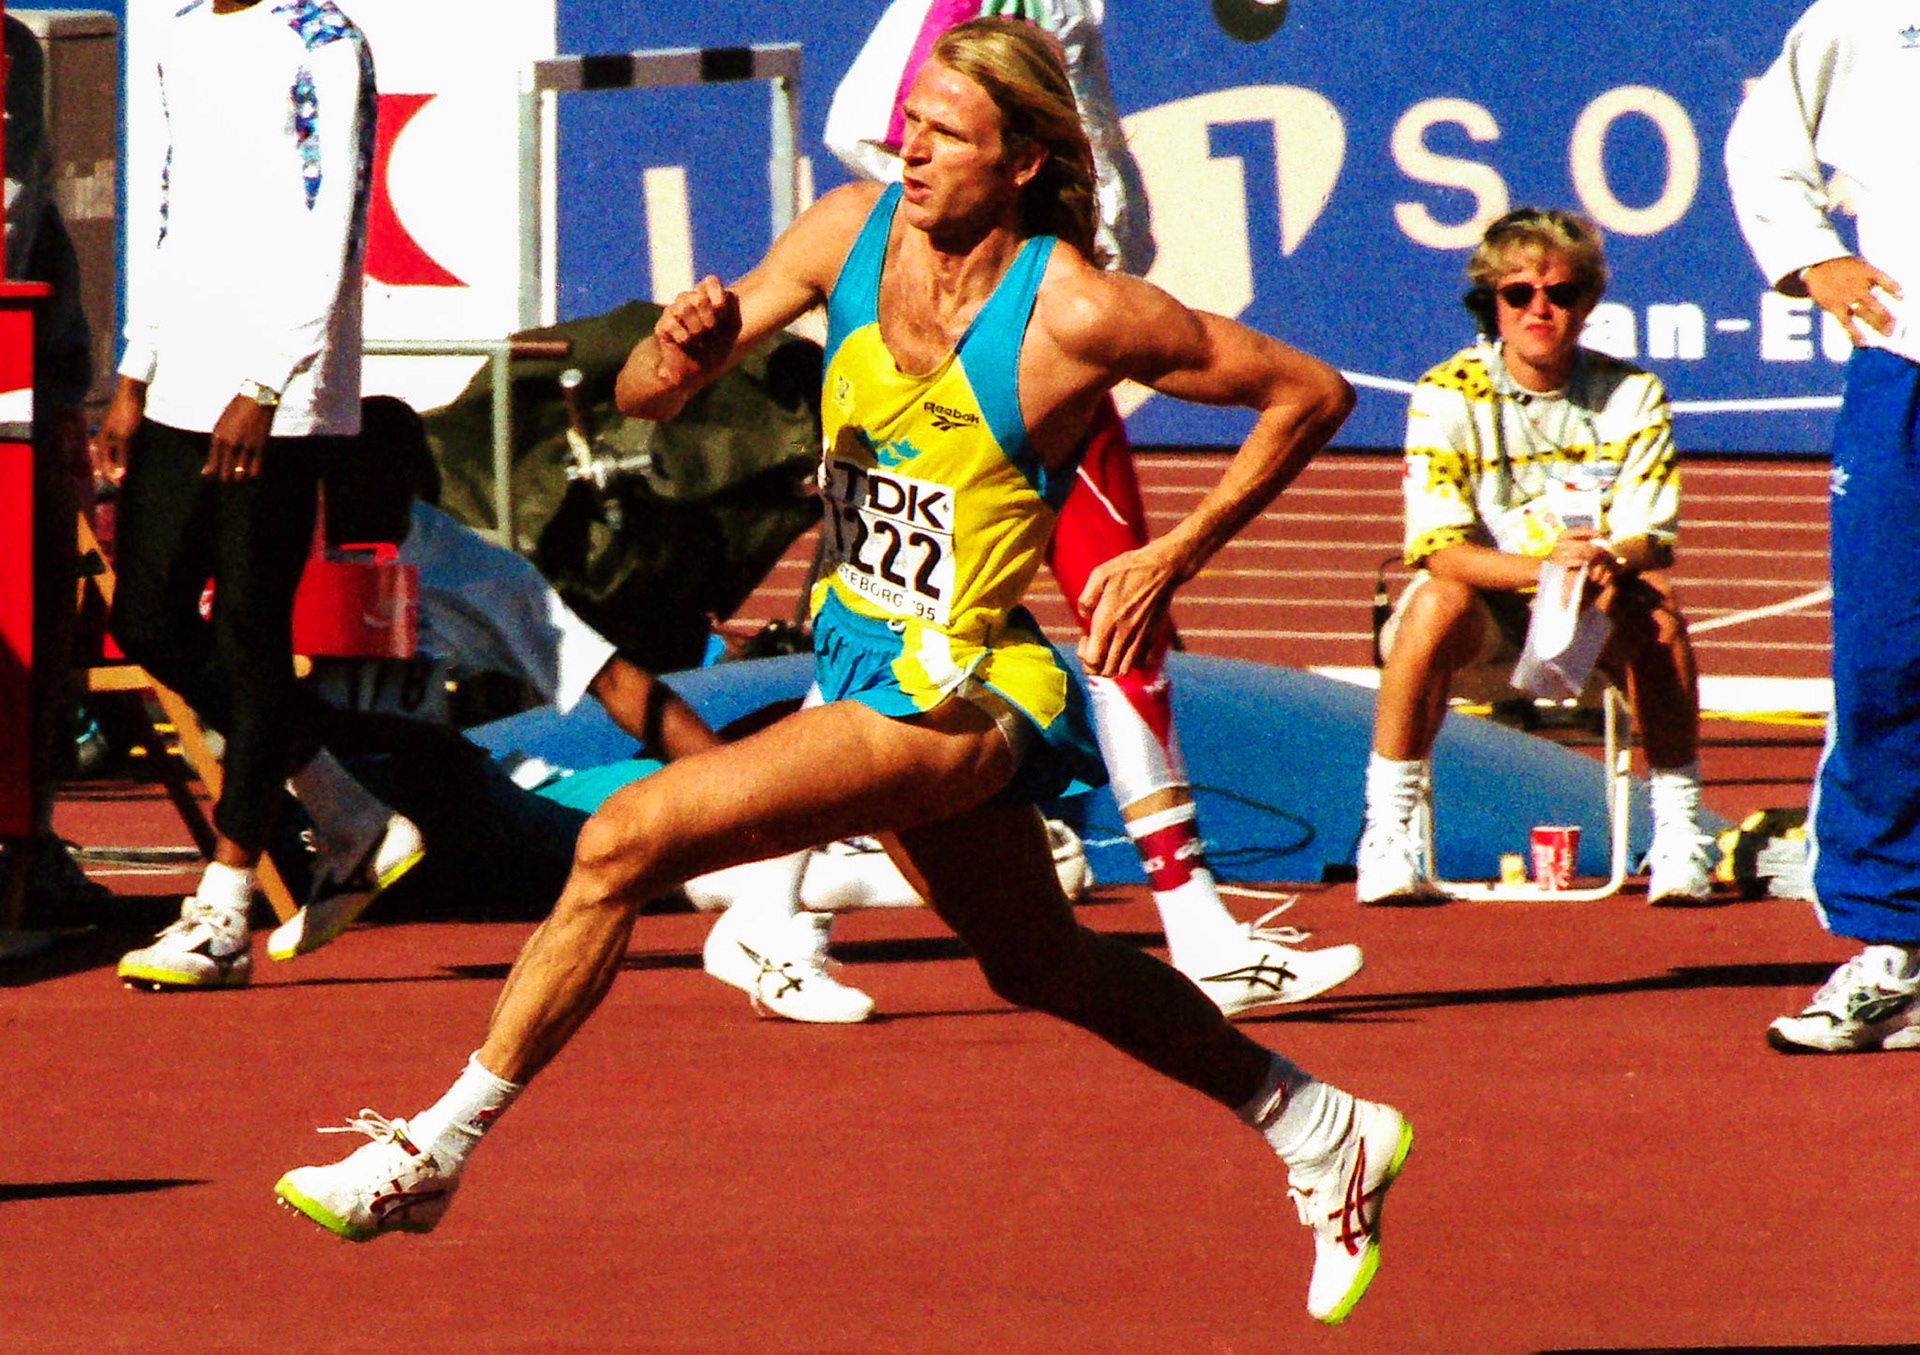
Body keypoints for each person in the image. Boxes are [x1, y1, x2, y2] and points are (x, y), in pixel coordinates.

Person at [274, 21, 1411, 1324]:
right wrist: (683, 347)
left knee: (626, 834)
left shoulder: (1080, 309)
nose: (910, 145)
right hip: (857, 656)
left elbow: (1310, 392)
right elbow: (646, 395)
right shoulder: (847, 232)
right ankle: (1318, 1120)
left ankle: (435, 1147)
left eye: (947, 133)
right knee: (1040, 963)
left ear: (1029, 161)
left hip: (967, 688)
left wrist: (1171, 554)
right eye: (911, 120)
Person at [704, 0, 1364, 1026]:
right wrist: (934, 221)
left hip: (1058, 335)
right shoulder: (955, 19)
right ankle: (1194, 925)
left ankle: (771, 910)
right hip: (1006, 338)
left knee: (920, 617)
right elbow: (857, 122)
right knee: (1027, 612)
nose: (921, 144)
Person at [91, 0, 380, 990]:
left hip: (280, 394)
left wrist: (267, 381)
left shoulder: (324, 40)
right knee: (149, 616)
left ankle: (222, 911)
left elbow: (335, 217)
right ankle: (344, 809)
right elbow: (170, 208)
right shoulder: (177, 35)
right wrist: (135, 367)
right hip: (179, 380)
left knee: (252, 627)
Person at [266, 396, 729, 959]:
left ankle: (794, 866)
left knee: (629, 857)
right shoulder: (269, 539)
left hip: (435, 795)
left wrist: (734, 787)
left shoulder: (460, 562)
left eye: (399, 482)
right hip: (301, 804)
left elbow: (610, 679)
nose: (367, 498)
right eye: (342, 479)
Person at [1354, 207, 1714, 906]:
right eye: (1519, 293)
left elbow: (1651, 536)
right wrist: (1549, 565)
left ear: (1588, 302)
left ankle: (1678, 833)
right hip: (1477, 622)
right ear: (1492, 302)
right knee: (1434, 600)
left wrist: (1608, 559)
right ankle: (1388, 834)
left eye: (1561, 293)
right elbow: (1438, 550)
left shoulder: (1633, 394)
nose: (1539, 308)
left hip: (1589, 615)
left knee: (1659, 605)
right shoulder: (1444, 393)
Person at [1725, 0, 1920, 1053]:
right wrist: (1810, 254)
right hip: (1906, 369)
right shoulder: (1869, 12)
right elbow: (1767, 141)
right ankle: (1895, 945)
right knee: (1887, 660)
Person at [0, 13, 100, 927]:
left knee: (39, 624)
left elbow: (28, 229)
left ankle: (26, 839)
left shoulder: (16, 55)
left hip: (18, 390)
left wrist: (68, 397)